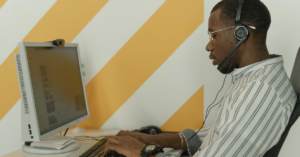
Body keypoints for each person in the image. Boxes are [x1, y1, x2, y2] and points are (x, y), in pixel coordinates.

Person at [104, 0, 297, 156]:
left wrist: (140, 151)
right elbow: (222, 136)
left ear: (241, 33)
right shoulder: (256, 79)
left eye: (213, 35)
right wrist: (153, 140)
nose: (208, 46)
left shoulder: (259, 90)